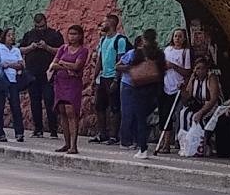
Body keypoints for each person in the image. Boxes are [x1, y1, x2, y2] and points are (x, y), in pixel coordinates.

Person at [120, 30, 163, 160]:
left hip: (139, 88)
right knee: (146, 117)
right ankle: (142, 144)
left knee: (140, 119)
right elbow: (162, 70)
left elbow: (132, 68)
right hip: (155, 88)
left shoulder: (139, 53)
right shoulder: (159, 53)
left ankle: (142, 147)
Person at [20, 13, 64, 139]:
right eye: (37, 27)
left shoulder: (54, 34)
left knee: (50, 101)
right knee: (34, 102)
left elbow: (61, 50)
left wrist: (46, 47)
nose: (40, 29)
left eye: (42, 26)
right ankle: (38, 129)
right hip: (32, 73)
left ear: (46, 22)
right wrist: (31, 47)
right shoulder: (29, 35)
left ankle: (53, 130)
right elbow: (20, 50)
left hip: (48, 73)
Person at [49, 25, 89, 154]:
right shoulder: (63, 48)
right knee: (62, 112)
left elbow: (78, 66)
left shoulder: (83, 50)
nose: (72, 37)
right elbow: (53, 65)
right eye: (70, 34)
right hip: (60, 82)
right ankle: (66, 143)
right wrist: (67, 67)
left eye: (75, 34)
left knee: (71, 111)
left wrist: (63, 63)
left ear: (80, 36)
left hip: (73, 84)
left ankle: (74, 145)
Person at [171, 56, 221, 156]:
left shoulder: (211, 78)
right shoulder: (194, 79)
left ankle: (200, 144)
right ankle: (185, 143)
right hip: (197, 104)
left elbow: (213, 99)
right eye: (197, 68)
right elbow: (187, 98)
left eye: (201, 68)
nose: (198, 71)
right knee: (183, 113)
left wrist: (201, 112)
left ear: (206, 69)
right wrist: (182, 90)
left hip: (210, 106)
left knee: (198, 118)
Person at [93, 14, 131, 145]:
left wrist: (116, 80)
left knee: (114, 107)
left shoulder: (120, 40)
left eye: (104, 22)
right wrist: (94, 77)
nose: (102, 24)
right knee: (99, 106)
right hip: (102, 77)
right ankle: (102, 133)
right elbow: (99, 59)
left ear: (111, 23)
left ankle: (114, 135)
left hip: (113, 77)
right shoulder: (103, 40)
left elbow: (121, 59)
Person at [157, 28, 192, 154]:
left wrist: (174, 66)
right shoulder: (167, 50)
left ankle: (168, 143)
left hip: (176, 87)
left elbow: (187, 71)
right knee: (163, 114)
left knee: (171, 115)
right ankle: (162, 141)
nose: (177, 38)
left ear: (184, 39)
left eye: (180, 36)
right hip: (165, 85)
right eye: (175, 36)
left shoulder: (185, 52)